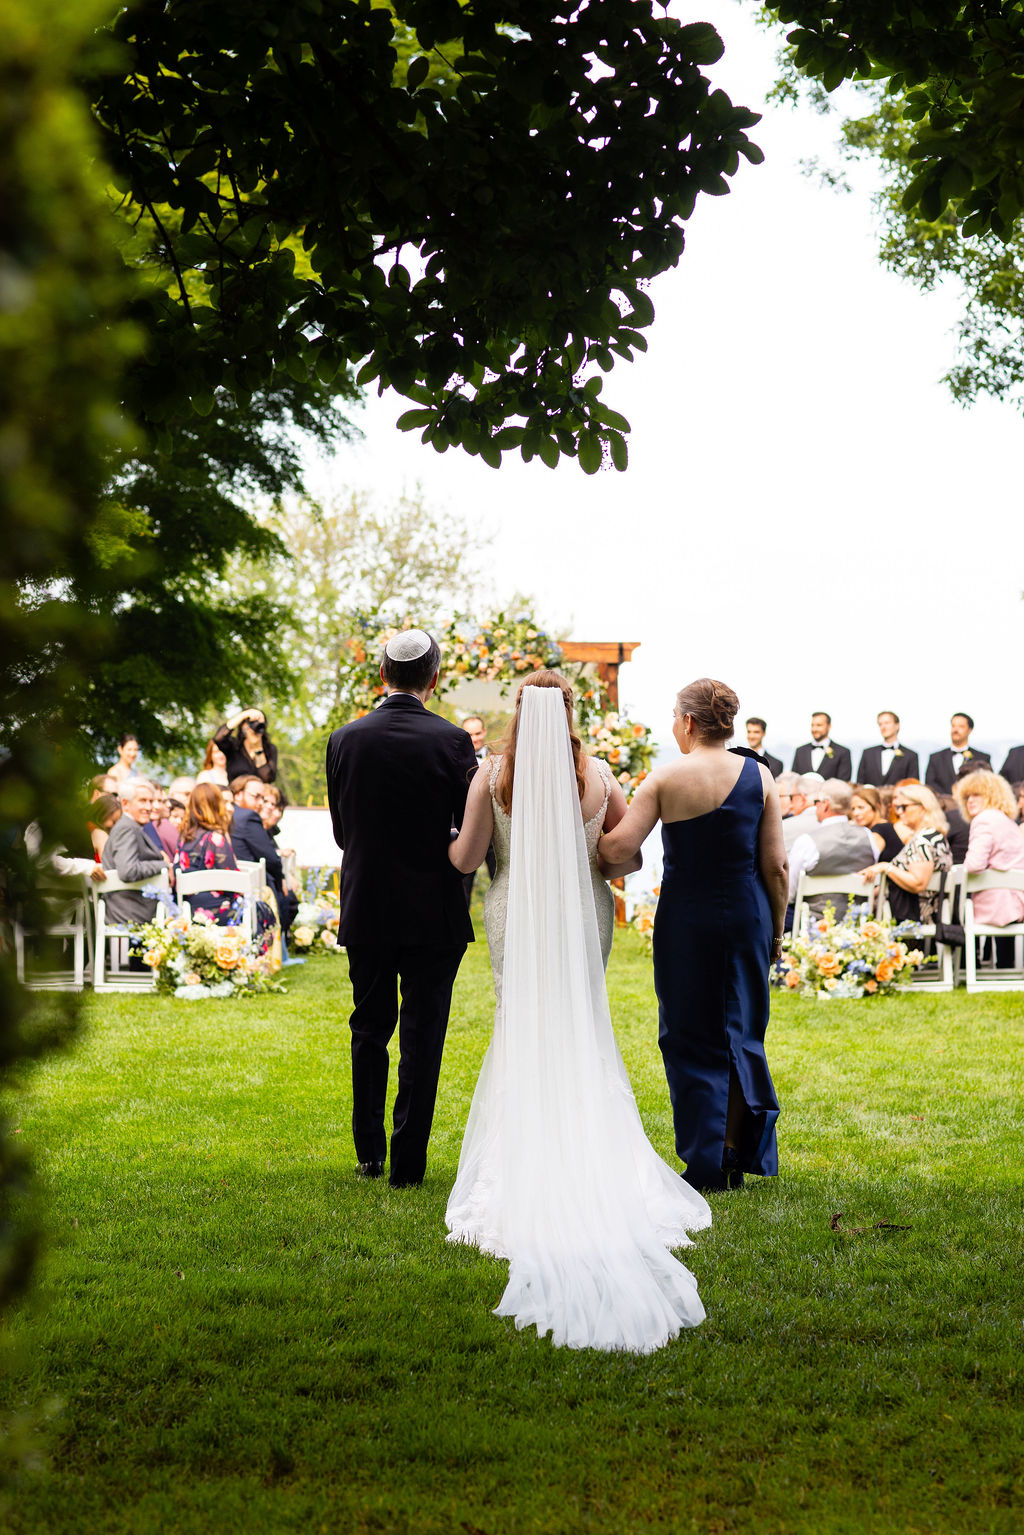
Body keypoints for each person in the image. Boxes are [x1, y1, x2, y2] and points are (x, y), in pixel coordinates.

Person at [446, 675, 710, 1351]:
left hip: (515, 916)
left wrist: (451, 840)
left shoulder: (491, 777)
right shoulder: (600, 779)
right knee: (580, 1025)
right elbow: (625, 859)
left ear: (515, 716)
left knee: (523, 1029)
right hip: (584, 915)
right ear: (570, 713)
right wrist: (586, 855)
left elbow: (467, 857)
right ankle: (590, 1149)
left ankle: (525, 1158)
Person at [600, 677, 788, 1197]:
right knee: (742, 1031)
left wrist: (584, 821)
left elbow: (618, 850)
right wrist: (774, 930)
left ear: (686, 722)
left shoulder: (664, 779)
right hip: (747, 915)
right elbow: (776, 865)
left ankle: (705, 1160)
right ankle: (736, 1148)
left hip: (686, 918)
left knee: (687, 1033)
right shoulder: (761, 777)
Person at [325, 629, 478, 1189]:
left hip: (367, 902)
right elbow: (465, 828)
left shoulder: (345, 739)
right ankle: (408, 1161)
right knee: (423, 1034)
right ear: (434, 680)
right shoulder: (455, 741)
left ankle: (369, 1152)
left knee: (368, 1027)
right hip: (433, 909)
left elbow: (343, 833)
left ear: (381, 677)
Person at [858, 784, 952, 923]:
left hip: (914, 919)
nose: (899, 812)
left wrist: (886, 867)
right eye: (897, 807)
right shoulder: (935, 836)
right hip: (927, 915)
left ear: (922, 808)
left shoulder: (922, 842)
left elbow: (918, 883)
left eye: (904, 807)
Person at [786, 780, 876, 921]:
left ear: (825, 804)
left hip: (813, 924)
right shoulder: (868, 836)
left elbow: (789, 892)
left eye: (816, 802)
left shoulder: (807, 842)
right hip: (857, 924)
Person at [953, 770, 1024, 928]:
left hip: (995, 906)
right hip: (1017, 902)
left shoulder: (983, 820)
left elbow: (973, 865)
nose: (970, 801)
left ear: (992, 795)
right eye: (967, 796)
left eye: (977, 795)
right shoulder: (1008, 822)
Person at [100, 780, 169, 924]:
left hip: (135, 907)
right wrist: (163, 866)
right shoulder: (127, 828)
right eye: (143, 801)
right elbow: (128, 871)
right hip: (130, 913)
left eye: (151, 801)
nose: (149, 807)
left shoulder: (132, 826)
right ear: (125, 803)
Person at [174, 783, 243, 924]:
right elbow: (235, 882)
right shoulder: (215, 839)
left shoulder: (184, 838)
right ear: (216, 805)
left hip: (187, 907)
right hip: (216, 909)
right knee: (262, 910)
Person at [460, 714, 497, 905]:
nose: (474, 739)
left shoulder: (499, 758)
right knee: (462, 887)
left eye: (477, 733)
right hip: (466, 829)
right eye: (470, 734)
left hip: (495, 831)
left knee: (499, 879)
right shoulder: (455, 758)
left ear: (484, 732)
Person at [925, 713, 991, 796]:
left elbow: (987, 784)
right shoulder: (935, 758)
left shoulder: (983, 758)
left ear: (969, 730)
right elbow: (930, 784)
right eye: (953, 726)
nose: (955, 730)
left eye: (961, 726)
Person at [857, 711, 920, 787]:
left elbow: (912, 785)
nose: (883, 727)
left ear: (897, 725)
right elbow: (860, 783)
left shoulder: (910, 755)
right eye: (880, 724)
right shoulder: (868, 753)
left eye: (887, 723)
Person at [214, 710, 278, 784]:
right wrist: (244, 715)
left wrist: (258, 749)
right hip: (237, 793)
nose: (257, 725)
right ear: (243, 725)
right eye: (253, 722)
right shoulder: (234, 746)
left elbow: (267, 778)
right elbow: (219, 738)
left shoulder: (270, 749)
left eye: (261, 723)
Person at [791, 712, 852, 780]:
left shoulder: (842, 752)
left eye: (819, 725)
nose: (814, 729)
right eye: (812, 725)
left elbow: (843, 783)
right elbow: (793, 780)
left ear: (829, 726)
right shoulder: (800, 751)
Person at [850, 784, 903, 859]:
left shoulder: (880, 829)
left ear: (875, 807)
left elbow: (865, 857)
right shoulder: (885, 825)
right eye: (853, 809)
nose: (856, 813)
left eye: (861, 807)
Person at [782, 773, 825, 851]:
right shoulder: (832, 824)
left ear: (802, 798)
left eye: (792, 797)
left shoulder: (785, 826)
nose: (791, 805)